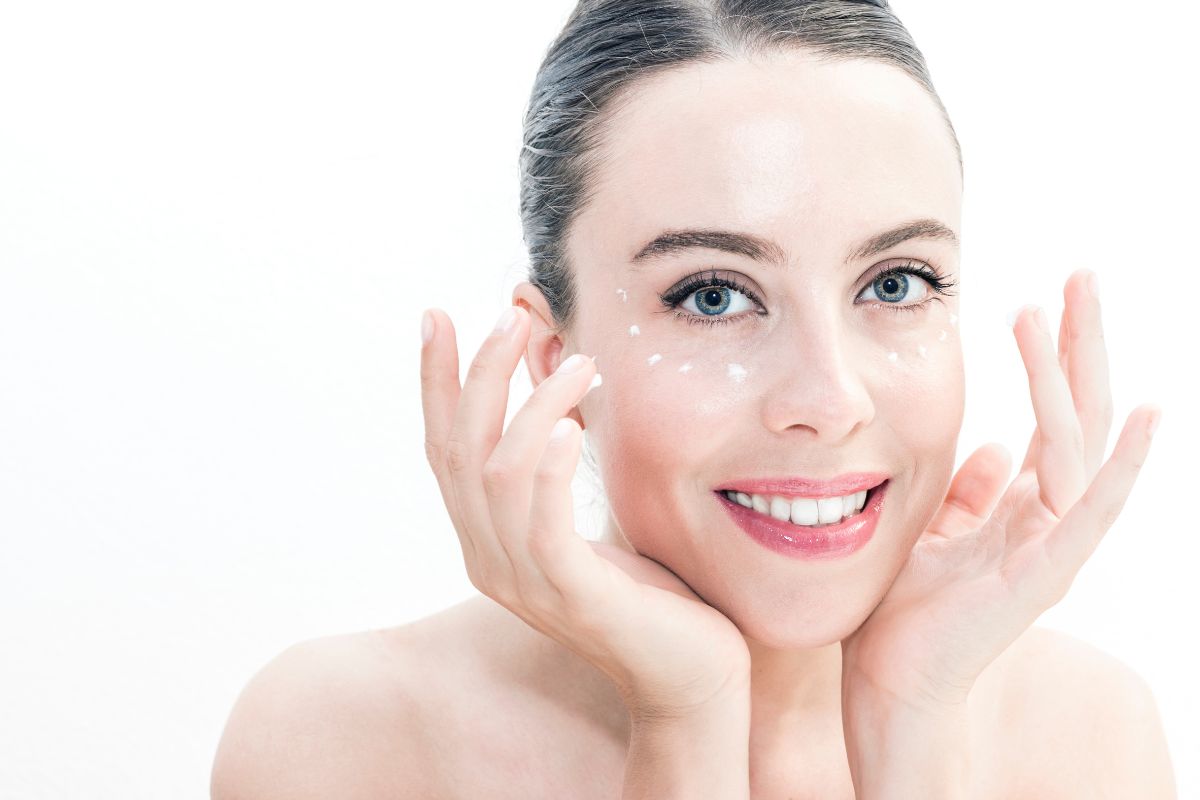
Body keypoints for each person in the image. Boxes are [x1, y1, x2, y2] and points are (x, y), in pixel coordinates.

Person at [211, 1, 1176, 797]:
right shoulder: (344, 742)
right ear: (553, 359)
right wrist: (685, 722)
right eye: (712, 296)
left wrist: (911, 733)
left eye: (895, 284)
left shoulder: (1093, 743)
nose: (828, 400)